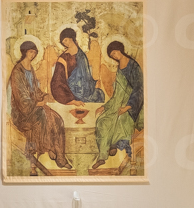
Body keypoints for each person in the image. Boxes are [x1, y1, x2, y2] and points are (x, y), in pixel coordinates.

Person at [9, 41, 71, 169]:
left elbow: (35, 90)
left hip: (34, 106)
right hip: (22, 112)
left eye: (34, 53)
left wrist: (44, 95)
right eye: (30, 52)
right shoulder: (17, 71)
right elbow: (20, 96)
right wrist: (37, 103)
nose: (32, 55)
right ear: (24, 52)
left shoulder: (30, 68)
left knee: (57, 119)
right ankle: (50, 148)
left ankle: (60, 155)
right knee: (43, 116)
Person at [92, 42, 144, 170]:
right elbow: (117, 94)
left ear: (119, 49)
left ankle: (114, 144)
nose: (114, 56)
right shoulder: (119, 68)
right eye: (112, 55)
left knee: (121, 120)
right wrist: (105, 106)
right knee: (102, 121)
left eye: (114, 53)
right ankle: (102, 156)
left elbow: (139, 90)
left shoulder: (133, 66)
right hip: (117, 103)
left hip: (132, 106)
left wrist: (127, 107)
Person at [50, 27, 105, 104]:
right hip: (71, 91)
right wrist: (70, 100)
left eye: (66, 40)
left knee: (100, 94)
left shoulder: (82, 55)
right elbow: (57, 81)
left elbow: (87, 75)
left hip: (85, 89)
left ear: (71, 38)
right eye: (63, 42)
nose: (65, 43)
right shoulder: (63, 58)